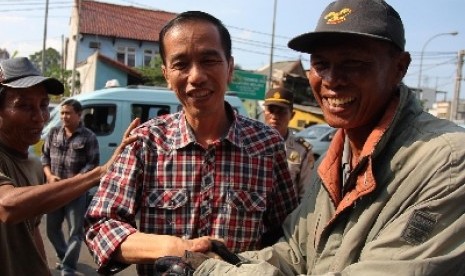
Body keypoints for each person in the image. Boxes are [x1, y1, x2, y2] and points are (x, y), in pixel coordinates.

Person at [167, 0, 465, 275]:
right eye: (321, 64)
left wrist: (210, 271)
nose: (332, 80)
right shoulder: (336, 161)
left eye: (353, 63)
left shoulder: (449, 162)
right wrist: (226, 258)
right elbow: (295, 253)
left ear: (399, 67)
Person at [84, 10, 299, 275]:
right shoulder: (145, 143)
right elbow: (100, 227)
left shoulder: (267, 145)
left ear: (229, 67)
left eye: (209, 60)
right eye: (181, 64)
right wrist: (175, 248)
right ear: (166, 74)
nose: (196, 76)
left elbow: (289, 235)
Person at [0, 57, 138, 276]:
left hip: (72, 196)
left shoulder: (32, 164)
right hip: (63, 189)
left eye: (44, 105)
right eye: (24, 106)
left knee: (74, 232)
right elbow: (7, 207)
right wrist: (97, 175)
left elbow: (31, 230)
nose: (40, 117)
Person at [41, 99, 100, 275]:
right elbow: (45, 158)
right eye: (62, 113)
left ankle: (68, 266)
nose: (64, 117)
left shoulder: (89, 137)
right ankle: (64, 256)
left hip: (76, 193)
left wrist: (76, 180)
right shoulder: (53, 133)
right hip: (54, 191)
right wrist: (50, 176)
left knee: (75, 231)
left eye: (68, 113)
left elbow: (93, 164)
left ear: (78, 115)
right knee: (52, 229)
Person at [263, 87, 315, 199]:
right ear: (264, 112)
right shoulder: (251, 144)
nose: (275, 117)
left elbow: (306, 193)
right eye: (271, 110)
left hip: (288, 214)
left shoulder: (302, 150)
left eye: (281, 111)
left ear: (292, 115)